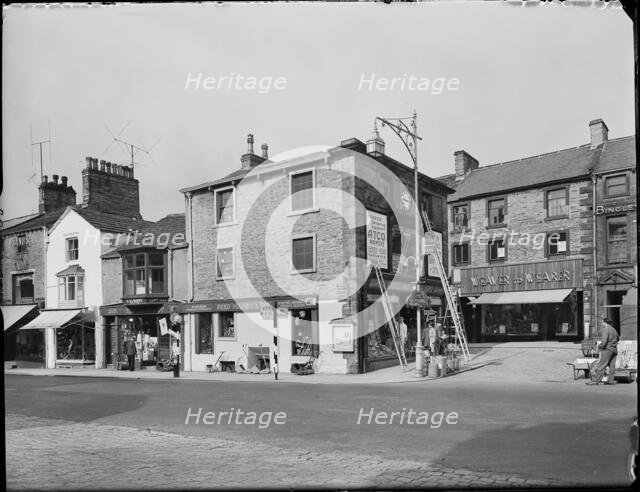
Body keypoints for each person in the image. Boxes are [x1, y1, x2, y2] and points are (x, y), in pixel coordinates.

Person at [587, 317, 619, 386]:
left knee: (602, 365)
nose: (602, 324)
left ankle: (596, 381)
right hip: (614, 350)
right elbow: (618, 338)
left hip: (607, 349)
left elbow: (604, 342)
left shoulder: (606, 329)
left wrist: (599, 346)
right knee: (612, 366)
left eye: (602, 322)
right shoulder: (614, 329)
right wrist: (613, 344)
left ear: (605, 322)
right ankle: (610, 380)